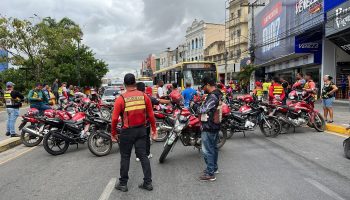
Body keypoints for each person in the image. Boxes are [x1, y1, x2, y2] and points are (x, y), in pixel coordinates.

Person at [111, 73, 157, 192]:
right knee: (143, 156)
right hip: (142, 130)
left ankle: (123, 184)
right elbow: (151, 115)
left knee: (125, 157)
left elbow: (115, 119)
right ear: (135, 83)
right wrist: (154, 130)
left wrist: (113, 133)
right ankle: (148, 183)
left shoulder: (121, 99)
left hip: (127, 132)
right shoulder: (144, 96)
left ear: (125, 84)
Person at [135, 82, 170, 162]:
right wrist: (169, 101)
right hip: (145, 122)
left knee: (137, 139)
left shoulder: (133, 98)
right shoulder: (147, 97)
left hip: (135, 123)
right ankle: (147, 154)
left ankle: (138, 156)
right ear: (144, 89)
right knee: (146, 138)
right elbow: (159, 101)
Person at [197, 76, 222, 181]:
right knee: (213, 148)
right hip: (215, 124)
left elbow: (203, 109)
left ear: (208, 85)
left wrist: (195, 106)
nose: (203, 89)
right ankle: (214, 168)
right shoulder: (218, 93)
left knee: (207, 150)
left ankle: (210, 173)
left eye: (204, 86)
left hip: (209, 126)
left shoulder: (212, 96)